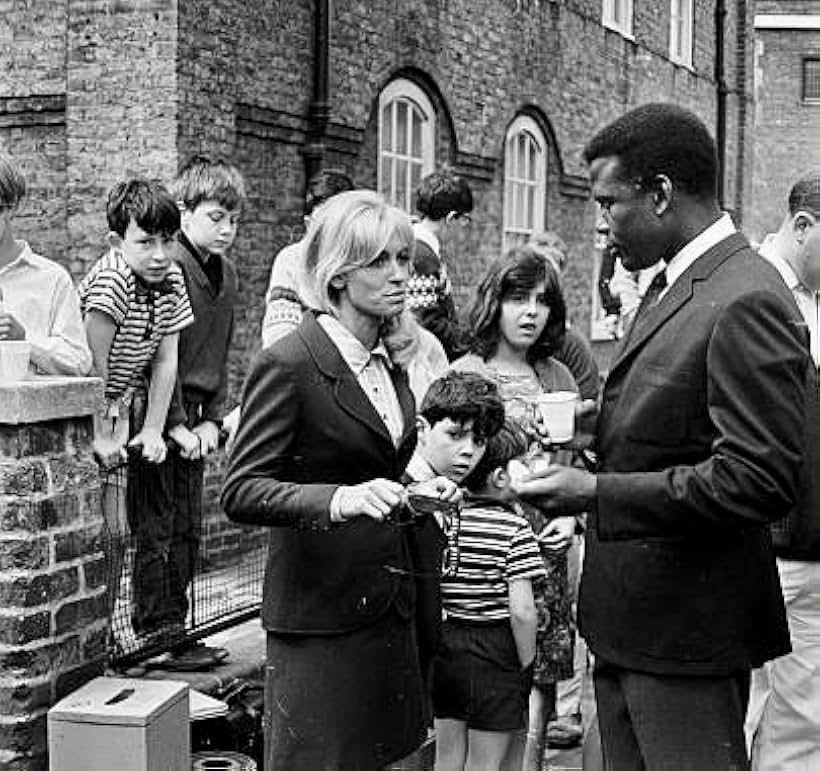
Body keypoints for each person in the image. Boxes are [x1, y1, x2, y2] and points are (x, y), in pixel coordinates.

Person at [512, 103, 808, 771]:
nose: (600, 223)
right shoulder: (682, 279)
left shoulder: (745, 295)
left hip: (685, 636)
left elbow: (757, 479)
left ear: (662, 194)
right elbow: (684, 418)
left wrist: (594, 491)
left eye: (609, 202)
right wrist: (599, 424)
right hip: (635, 625)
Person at [221, 189, 459, 771]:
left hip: (390, 603)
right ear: (336, 276)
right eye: (379, 262)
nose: (400, 275)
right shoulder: (291, 363)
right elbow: (242, 489)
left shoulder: (391, 355)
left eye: (403, 259)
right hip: (320, 616)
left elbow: (381, 465)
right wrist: (340, 500)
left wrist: (420, 485)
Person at [451, 247, 578, 771]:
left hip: (542, 551)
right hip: (480, 556)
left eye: (542, 301)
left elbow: (572, 467)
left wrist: (571, 516)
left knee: (539, 685)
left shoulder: (559, 380)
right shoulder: (465, 374)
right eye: (517, 298)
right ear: (493, 302)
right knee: (477, 686)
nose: (530, 312)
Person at [132, 155, 245, 669]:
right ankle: (154, 634)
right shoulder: (171, 265)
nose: (226, 229)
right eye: (216, 217)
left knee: (188, 527)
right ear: (185, 211)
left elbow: (220, 352)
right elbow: (162, 354)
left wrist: (212, 420)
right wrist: (176, 423)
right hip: (159, 416)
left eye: (233, 219)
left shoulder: (229, 275)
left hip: (197, 421)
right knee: (156, 527)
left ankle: (177, 632)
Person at [79, 179, 195, 642]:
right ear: (116, 241)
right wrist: (102, 433)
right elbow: (92, 368)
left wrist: (151, 430)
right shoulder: (112, 281)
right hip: (89, 406)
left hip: (126, 403)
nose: (159, 253)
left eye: (168, 240)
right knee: (105, 531)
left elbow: (167, 360)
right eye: (145, 242)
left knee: (120, 531)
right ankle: (95, 635)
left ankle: (105, 634)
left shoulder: (169, 278)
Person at [744, 174, 820, 770]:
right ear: (802, 226)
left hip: (812, 546)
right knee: (739, 705)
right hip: (758, 544)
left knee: (804, 720)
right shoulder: (748, 286)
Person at [432, 419, 547, 771]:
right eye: (524, 464)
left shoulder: (447, 521)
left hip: (449, 646)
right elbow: (523, 611)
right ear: (499, 477)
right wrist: (525, 664)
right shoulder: (515, 528)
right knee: (488, 762)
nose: (531, 470)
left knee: (448, 756)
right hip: (498, 651)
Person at [404, 371, 507, 693]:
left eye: (478, 441)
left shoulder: (450, 493)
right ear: (422, 429)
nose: (468, 451)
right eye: (455, 434)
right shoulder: (401, 492)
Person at [0, 150, 91, 376]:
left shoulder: (51, 279)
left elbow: (79, 363)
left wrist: (25, 341)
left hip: (31, 410)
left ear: (11, 208)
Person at [260, 167, 354, 347]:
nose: (330, 235)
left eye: (339, 225)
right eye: (322, 225)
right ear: (308, 223)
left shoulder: (360, 261)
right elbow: (279, 339)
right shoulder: (292, 261)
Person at [407, 168, 474, 360]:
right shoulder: (421, 255)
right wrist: (468, 341)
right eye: (464, 220)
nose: (464, 229)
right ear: (451, 217)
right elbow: (425, 322)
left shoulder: (422, 249)